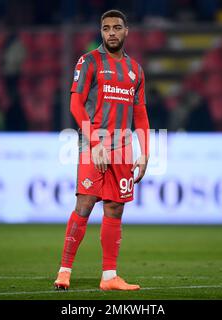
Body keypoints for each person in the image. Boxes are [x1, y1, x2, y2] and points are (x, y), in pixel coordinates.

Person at [54, 9, 150, 291]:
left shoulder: (136, 70)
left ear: (126, 31)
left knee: (114, 208)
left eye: (117, 27)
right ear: (101, 31)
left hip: (123, 146)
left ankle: (109, 277)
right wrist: (95, 143)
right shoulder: (89, 61)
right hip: (92, 144)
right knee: (84, 204)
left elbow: (140, 113)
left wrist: (144, 152)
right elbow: (75, 104)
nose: (111, 32)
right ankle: (64, 271)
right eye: (106, 28)